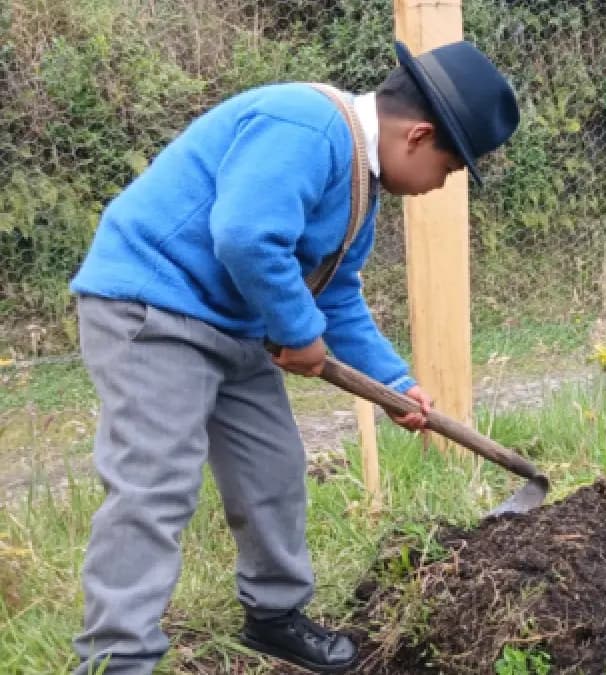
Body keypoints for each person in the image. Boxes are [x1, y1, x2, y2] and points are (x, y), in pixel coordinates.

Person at [67, 40, 519, 674]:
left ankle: (274, 615)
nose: (438, 186)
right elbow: (246, 236)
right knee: (156, 484)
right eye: (448, 170)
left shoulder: (361, 188)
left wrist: (393, 381)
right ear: (417, 136)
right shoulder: (306, 125)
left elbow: (335, 293)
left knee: (273, 471)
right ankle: (117, 658)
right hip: (154, 307)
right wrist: (298, 330)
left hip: (235, 326)